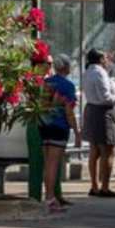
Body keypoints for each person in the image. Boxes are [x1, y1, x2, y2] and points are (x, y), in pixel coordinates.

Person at [81, 48, 115, 197]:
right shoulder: (100, 73)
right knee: (108, 150)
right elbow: (105, 97)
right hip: (103, 113)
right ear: (100, 59)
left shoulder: (88, 72)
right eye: (105, 58)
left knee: (94, 150)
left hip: (92, 110)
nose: (107, 60)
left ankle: (94, 186)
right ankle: (104, 187)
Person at [41, 55, 78, 211]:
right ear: (66, 67)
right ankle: (50, 199)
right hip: (59, 126)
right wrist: (77, 131)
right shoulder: (68, 86)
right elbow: (69, 111)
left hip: (44, 126)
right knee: (53, 165)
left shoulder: (46, 82)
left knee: (47, 164)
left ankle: (49, 197)